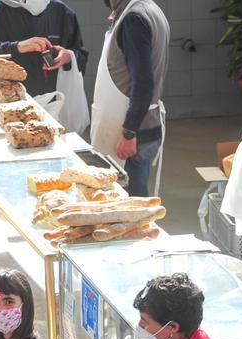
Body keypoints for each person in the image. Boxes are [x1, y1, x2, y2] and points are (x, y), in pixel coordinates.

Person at [89, 0, 168, 197]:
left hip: (130, 132)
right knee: (134, 201)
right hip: (144, 124)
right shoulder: (148, 9)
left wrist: (129, 133)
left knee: (128, 207)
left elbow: (143, 83)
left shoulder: (134, 19)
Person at [0, 0, 87, 98]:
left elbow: (81, 55)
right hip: (9, 100)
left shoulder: (62, 12)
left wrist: (68, 56)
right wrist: (17, 47)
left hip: (55, 101)